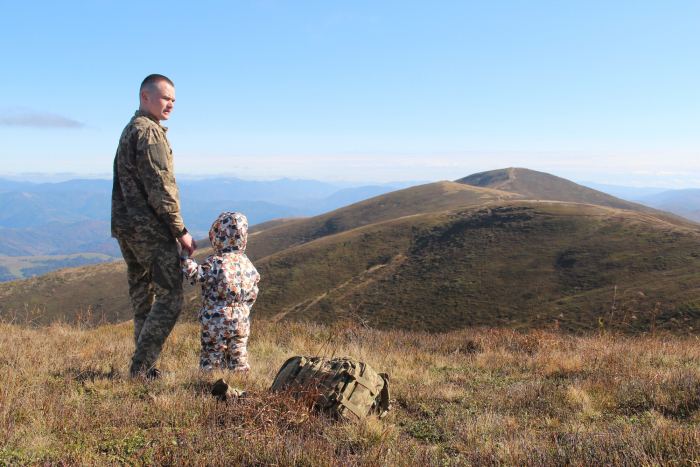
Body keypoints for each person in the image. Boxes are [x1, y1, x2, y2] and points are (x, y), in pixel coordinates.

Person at [111, 74, 197, 379]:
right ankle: (141, 368)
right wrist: (180, 231)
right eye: (165, 98)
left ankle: (143, 369)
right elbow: (160, 186)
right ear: (145, 97)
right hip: (150, 230)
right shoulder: (149, 133)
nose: (171, 104)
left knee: (142, 298)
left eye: (173, 100)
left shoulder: (130, 129)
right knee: (171, 297)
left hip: (126, 229)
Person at [181, 212, 260, 371]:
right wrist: (243, 309)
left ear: (216, 236)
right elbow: (253, 293)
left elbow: (196, 276)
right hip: (241, 320)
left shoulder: (216, 262)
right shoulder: (247, 263)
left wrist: (184, 257)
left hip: (215, 321)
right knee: (238, 354)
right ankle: (240, 386)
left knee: (212, 356)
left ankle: (210, 386)